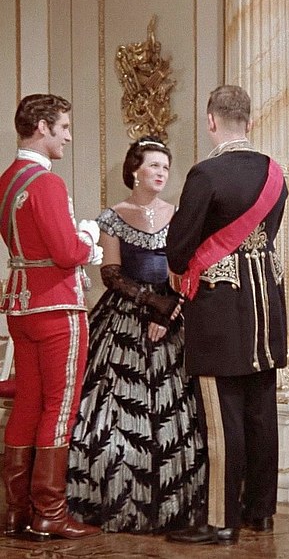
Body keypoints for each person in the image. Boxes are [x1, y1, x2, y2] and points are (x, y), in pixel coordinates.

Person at [164, 85, 289, 546]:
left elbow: (179, 249)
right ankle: (261, 511)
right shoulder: (275, 172)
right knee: (261, 414)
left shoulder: (206, 174)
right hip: (267, 304)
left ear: (211, 121)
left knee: (224, 418)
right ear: (249, 122)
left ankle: (221, 519)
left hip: (222, 306)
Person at [65, 136, 206, 533]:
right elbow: (111, 274)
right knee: (108, 409)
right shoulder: (113, 216)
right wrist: (149, 302)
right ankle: (117, 495)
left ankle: (175, 502)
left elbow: (188, 269)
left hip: (171, 314)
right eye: (153, 165)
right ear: (134, 171)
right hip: (125, 316)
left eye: (165, 167)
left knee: (180, 414)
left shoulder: (178, 215)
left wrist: (170, 308)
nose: (161, 173)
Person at [0, 94, 103, 540]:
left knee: (27, 404)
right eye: (63, 127)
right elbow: (65, 253)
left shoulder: (6, 181)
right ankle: (50, 513)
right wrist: (90, 240)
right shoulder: (47, 183)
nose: (68, 136)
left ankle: (15, 511)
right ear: (42, 127)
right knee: (59, 408)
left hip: (20, 306)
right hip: (58, 307)